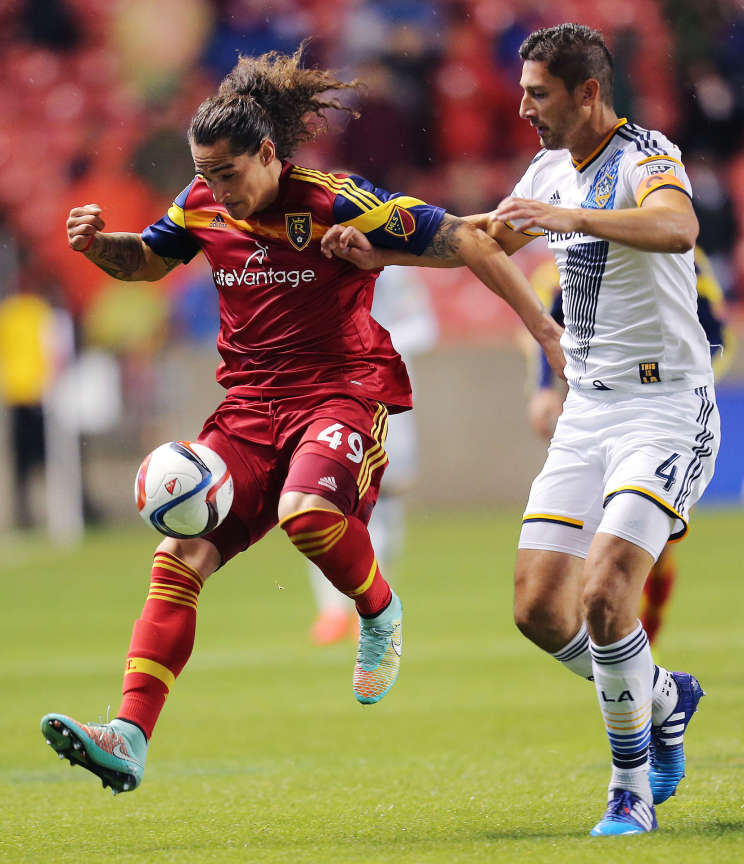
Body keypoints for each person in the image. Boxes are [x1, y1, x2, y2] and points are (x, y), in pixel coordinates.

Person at [41, 44, 564, 795]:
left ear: (266, 154)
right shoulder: (199, 204)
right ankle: (127, 735)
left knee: (305, 513)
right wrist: (99, 247)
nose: (215, 190)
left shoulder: (337, 201)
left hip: (341, 392)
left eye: (228, 173)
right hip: (247, 411)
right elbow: (147, 262)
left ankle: (378, 612)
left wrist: (546, 334)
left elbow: (467, 239)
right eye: (204, 174)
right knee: (177, 560)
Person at [322, 23, 720, 837]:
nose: (524, 106)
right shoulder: (546, 171)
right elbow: (482, 240)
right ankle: (663, 694)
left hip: (665, 405)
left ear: (588, 92)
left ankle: (629, 789)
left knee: (607, 592)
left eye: (539, 92)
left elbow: (678, 229)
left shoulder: (648, 155)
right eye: (523, 89)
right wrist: (379, 253)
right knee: (541, 608)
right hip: (590, 409)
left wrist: (569, 216)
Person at [525, 246, 730, 645]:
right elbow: (554, 318)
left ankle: (645, 633)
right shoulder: (582, 247)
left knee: (643, 538)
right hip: (591, 410)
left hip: (661, 411)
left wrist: (687, 385)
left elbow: (715, 331)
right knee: (597, 536)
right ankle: (628, 649)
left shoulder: (681, 253)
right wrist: (546, 389)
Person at [307, 266, 438, 644]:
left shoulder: (395, 270)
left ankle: (372, 605)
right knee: (316, 502)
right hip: (328, 400)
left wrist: (375, 341)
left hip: (386, 403)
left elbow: (425, 327)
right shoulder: (313, 259)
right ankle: (331, 610)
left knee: (385, 507)